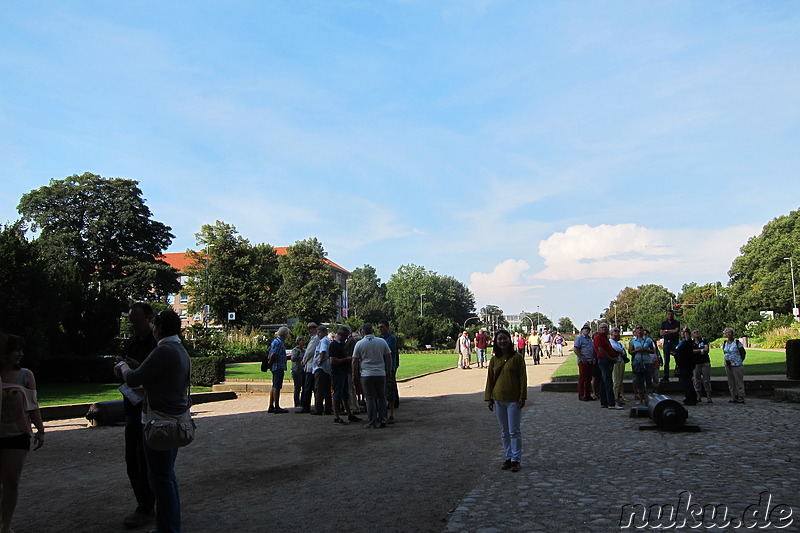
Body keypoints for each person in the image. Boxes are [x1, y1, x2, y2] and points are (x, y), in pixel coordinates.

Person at [117, 309, 190, 533]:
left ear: (157, 327)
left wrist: (123, 367)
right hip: (175, 419)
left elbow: (133, 379)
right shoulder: (180, 350)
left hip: (159, 422)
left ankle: (168, 529)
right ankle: (168, 526)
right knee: (167, 477)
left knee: (160, 478)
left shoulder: (163, 350)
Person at [119, 303, 157, 529]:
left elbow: (160, 373)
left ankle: (148, 505)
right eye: (131, 321)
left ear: (149, 319)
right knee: (132, 460)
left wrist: (138, 368)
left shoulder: (156, 344)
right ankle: (144, 503)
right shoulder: (133, 342)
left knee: (147, 460)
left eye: (137, 321)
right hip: (132, 408)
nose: (133, 326)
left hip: (150, 410)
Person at [0, 334, 44, 533]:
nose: (20, 354)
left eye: (21, 350)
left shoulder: (26, 375)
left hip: (17, 434)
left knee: (11, 479)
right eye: (16, 350)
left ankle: (5, 526)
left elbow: (33, 405)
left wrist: (40, 429)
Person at [484, 329, 527, 473]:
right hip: (498, 398)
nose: (502, 341)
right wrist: (489, 398)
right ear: (496, 342)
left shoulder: (517, 358)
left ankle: (516, 459)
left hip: (513, 399)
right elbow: (490, 379)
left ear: (509, 340)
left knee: (514, 431)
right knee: (504, 431)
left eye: (504, 338)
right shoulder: (494, 359)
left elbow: (523, 378)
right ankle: (508, 456)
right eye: (499, 339)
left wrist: (523, 396)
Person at [352, 323, 392, 428]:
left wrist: (355, 374)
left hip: (366, 374)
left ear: (362, 332)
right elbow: (388, 356)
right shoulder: (381, 341)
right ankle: (383, 419)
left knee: (369, 398)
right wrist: (389, 370)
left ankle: (372, 421)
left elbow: (354, 361)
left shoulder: (360, 344)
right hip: (380, 373)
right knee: (381, 397)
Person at [329, 326, 360, 424]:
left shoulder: (341, 344)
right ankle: (336, 416)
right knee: (337, 394)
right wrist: (347, 359)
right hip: (338, 372)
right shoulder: (334, 345)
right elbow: (332, 360)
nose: (346, 338)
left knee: (345, 394)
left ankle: (349, 414)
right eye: (346, 336)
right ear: (341, 334)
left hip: (343, 371)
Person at [593, 323, 623, 409]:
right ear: (599, 329)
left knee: (604, 381)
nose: (604, 329)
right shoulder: (598, 338)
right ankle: (611, 403)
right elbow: (600, 350)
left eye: (605, 328)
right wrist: (610, 358)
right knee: (608, 381)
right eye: (602, 328)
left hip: (607, 360)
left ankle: (604, 402)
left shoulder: (604, 338)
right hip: (604, 360)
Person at [377, 320, 399, 423]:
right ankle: (383, 413)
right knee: (381, 392)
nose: (380, 329)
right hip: (381, 367)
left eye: (382, 327)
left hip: (389, 368)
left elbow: (387, 351)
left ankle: (391, 414)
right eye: (379, 327)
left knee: (390, 391)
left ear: (387, 327)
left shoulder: (391, 338)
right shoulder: (381, 339)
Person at [628, 325, 654, 404]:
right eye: (638, 328)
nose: (639, 330)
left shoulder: (648, 340)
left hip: (647, 362)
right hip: (637, 362)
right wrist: (637, 350)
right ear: (635, 331)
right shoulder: (633, 341)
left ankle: (650, 399)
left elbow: (653, 351)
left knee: (648, 380)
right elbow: (630, 352)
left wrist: (646, 350)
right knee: (639, 381)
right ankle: (641, 399)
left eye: (641, 328)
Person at [672, 327, 697, 405]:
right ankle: (690, 397)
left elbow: (687, 340)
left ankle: (690, 398)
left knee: (687, 382)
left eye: (684, 332)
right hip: (681, 364)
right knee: (685, 381)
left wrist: (686, 330)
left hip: (686, 364)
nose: (682, 333)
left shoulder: (687, 342)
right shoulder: (681, 342)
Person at [298, 322, 319, 414]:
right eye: (308, 329)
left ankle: (306, 406)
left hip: (311, 366)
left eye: (311, 329)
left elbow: (310, 352)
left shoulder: (315, 339)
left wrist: (304, 360)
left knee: (308, 388)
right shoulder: (313, 339)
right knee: (311, 387)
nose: (309, 331)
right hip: (310, 366)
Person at [267, 326, 289, 413]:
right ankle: (276, 406)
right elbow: (274, 355)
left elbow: (271, 354)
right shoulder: (279, 343)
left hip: (276, 366)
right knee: (277, 386)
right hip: (278, 366)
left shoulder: (275, 341)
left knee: (274, 386)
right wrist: (270, 363)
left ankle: (271, 405)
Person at [311, 326, 333, 416]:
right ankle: (328, 408)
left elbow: (323, 351)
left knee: (319, 388)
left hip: (321, 368)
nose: (318, 334)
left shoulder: (323, 340)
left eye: (319, 332)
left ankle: (318, 408)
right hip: (327, 368)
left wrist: (320, 361)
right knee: (327, 389)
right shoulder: (328, 340)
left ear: (324, 332)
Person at [722, 327, 746, 403]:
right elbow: (725, 352)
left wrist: (739, 360)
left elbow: (743, 352)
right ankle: (733, 396)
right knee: (731, 382)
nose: (728, 334)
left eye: (730, 332)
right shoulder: (725, 343)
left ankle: (741, 396)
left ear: (732, 334)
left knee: (738, 381)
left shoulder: (737, 342)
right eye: (727, 333)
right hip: (728, 364)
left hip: (736, 364)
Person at [572, 325, 596, 401]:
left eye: (588, 329)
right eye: (585, 329)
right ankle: (581, 395)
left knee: (588, 379)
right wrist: (581, 358)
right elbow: (576, 349)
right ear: (582, 330)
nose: (586, 330)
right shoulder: (580, 338)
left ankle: (587, 394)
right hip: (583, 361)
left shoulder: (589, 339)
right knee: (582, 378)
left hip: (590, 361)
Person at [691, 329, 712, 403]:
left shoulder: (704, 340)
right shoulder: (692, 342)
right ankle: (698, 396)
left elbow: (706, 349)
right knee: (697, 380)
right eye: (694, 332)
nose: (696, 333)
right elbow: (691, 351)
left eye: (697, 332)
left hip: (705, 362)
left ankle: (708, 397)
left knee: (706, 380)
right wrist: (700, 350)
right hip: (696, 363)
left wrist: (698, 350)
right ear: (692, 335)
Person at [659, 309, 680, 381]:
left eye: (671, 314)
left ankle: (679, 374)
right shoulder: (664, 323)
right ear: (666, 315)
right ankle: (666, 376)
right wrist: (672, 331)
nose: (670, 316)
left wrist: (666, 331)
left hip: (674, 342)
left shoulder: (676, 323)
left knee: (678, 359)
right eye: (668, 314)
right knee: (666, 360)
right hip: (667, 342)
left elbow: (676, 331)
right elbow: (661, 333)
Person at [609, 327, 628, 406]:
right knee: (616, 381)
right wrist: (621, 350)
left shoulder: (618, 343)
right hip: (616, 362)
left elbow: (623, 352)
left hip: (621, 361)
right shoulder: (611, 341)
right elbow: (619, 350)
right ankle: (615, 398)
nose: (617, 333)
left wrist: (621, 350)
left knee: (620, 381)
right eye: (615, 331)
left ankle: (617, 396)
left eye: (618, 331)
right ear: (611, 333)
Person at [290, 336, 307, 409]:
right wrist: (297, 353)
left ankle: (303, 402)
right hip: (296, 371)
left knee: (304, 387)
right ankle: (297, 403)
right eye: (302, 341)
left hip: (303, 370)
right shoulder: (295, 350)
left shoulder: (304, 350)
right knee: (297, 388)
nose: (303, 342)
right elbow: (293, 359)